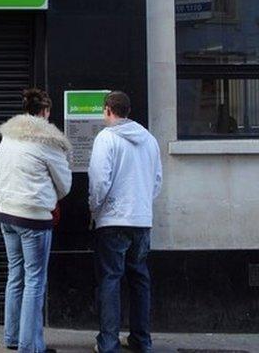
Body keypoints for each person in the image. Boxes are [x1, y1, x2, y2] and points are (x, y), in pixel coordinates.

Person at [0, 88, 72, 353]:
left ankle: (13, 337)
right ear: (45, 112)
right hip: (34, 219)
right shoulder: (46, 142)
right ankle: (30, 346)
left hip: (7, 214)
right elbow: (65, 185)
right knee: (35, 280)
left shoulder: (6, 140)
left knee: (15, 275)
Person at [88, 91, 162, 353]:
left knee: (110, 279)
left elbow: (99, 181)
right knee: (139, 278)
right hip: (141, 219)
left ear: (108, 109)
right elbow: (156, 181)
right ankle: (142, 340)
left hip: (112, 220)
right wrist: (141, 204)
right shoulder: (150, 140)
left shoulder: (106, 138)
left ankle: (108, 343)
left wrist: (95, 209)